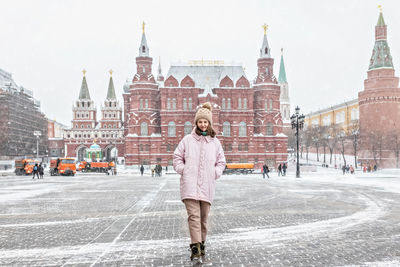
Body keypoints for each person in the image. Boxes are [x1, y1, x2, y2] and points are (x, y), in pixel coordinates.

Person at [173, 102, 226, 262]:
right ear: (196, 123)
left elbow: (221, 162)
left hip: (207, 186)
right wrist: (184, 170)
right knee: (194, 217)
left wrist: (214, 173)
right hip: (189, 185)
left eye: (205, 122)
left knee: (203, 219)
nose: (203, 124)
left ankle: (201, 245)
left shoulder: (215, 142)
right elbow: (177, 157)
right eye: (200, 121)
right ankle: (195, 248)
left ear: (209, 123)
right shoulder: (187, 140)